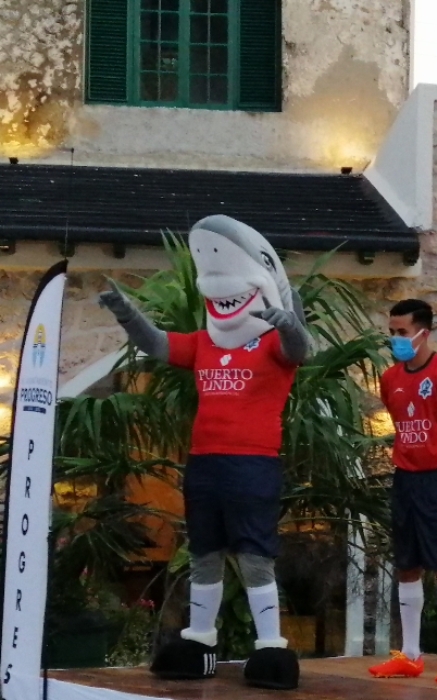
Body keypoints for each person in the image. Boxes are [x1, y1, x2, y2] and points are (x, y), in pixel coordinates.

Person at [98, 215, 308, 689]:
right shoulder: (205, 344)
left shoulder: (273, 344)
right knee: (204, 553)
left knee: (254, 556)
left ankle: (271, 646)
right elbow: (155, 345)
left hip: (253, 463)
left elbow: (302, 350)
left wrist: (290, 322)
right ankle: (199, 640)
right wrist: (126, 312)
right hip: (205, 462)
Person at [368, 299, 437, 687]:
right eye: (392, 331)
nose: (395, 338)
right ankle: (410, 655)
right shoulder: (390, 378)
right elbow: (400, 422)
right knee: (406, 563)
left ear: (423, 332)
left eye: (402, 332)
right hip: (405, 477)